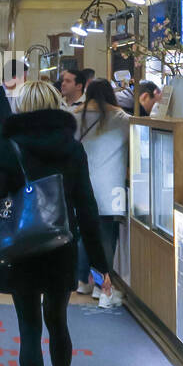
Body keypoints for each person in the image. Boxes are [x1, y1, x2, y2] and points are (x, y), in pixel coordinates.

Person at [0, 80, 111, 366]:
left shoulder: (9, 147)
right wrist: (100, 264)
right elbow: (87, 205)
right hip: (61, 246)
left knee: (28, 328)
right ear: (56, 106)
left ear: (20, 108)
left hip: (23, 249)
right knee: (58, 321)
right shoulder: (71, 148)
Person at [73, 79, 128, 306]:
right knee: (105, 238)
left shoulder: (75, 116)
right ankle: (99, 285)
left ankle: (83, 282)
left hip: (82, 185)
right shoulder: (122, 119)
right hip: (111, 188)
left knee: (84, 237)